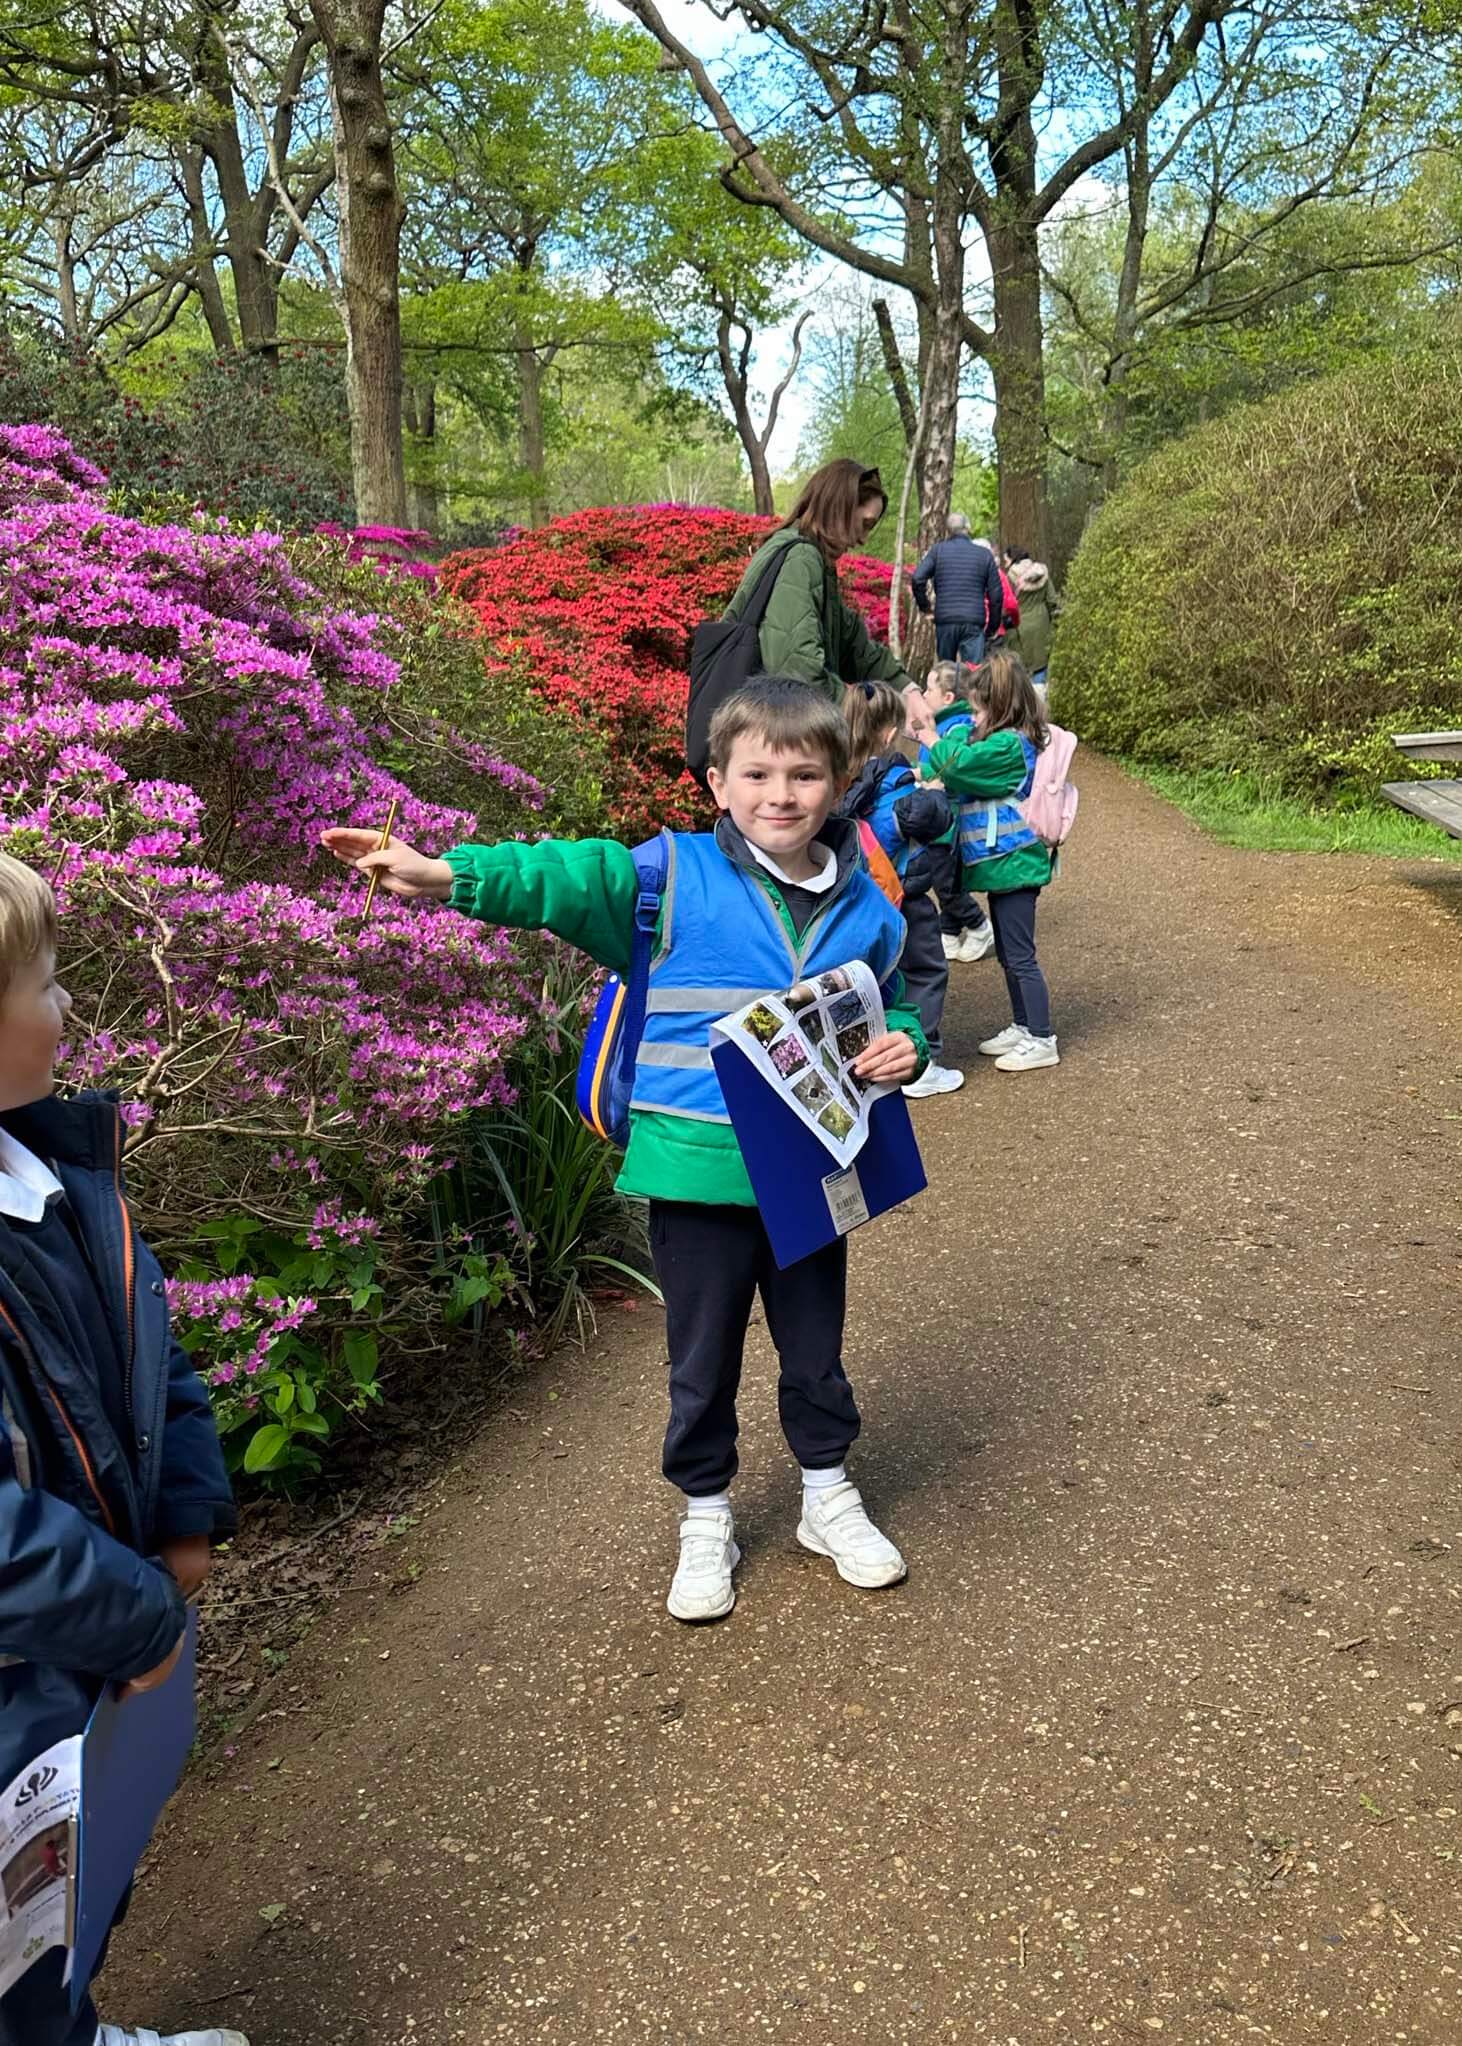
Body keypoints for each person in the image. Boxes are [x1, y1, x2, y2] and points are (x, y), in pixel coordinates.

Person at [322, 679, 924, 1625]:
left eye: (804, 773)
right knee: (701, 1357)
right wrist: (448, 875)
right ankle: (706, 1512)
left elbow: (901, 1000)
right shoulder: (670, 873)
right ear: (717, 783)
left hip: (816, 1171)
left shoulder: (870, 908)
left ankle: (825, 1493)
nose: (781, 793)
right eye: (757, 772)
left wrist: (910, 1046)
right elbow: (568, 874)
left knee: (816, 1350)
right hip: (692, 1172)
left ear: (840, 782)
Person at [0, 855, 244, 2046]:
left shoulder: (48, 1176)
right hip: (30, 1656)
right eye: (45, 983)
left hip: (82, 1650)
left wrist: (186, 1512)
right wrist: (135, 1617)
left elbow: (153, 1353)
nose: (69, 1009)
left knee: (61, 1892)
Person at [911, 652, 1059, 1073]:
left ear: (1000, 706)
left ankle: (1041, 1035)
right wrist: (949, 741)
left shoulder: (1009, 746)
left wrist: (930, 739)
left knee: (1020, 955)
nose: (972, 717)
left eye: (978, 709)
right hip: (1003, 865)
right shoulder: (999, 740)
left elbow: (956, 764)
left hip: (1015, 863)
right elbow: (957, 752)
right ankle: (1024, 1024)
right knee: (1009, 955)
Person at [838, 681, 963, 1099]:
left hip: (857, 898)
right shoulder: (896, 782)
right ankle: (920, 1060)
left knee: (873, 976)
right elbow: (932, 817)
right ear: (890, 733)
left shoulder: (842, 779)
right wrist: (932, 791)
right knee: (925, 969)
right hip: (904, 898)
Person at [720, 459, 913, 701]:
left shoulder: (815, 560)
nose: (864, 539)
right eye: (865, 524)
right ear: (839, 507)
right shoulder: (801, 559)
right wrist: (864, 712)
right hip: (769, 726)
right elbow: (799, 670)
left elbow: (853, 644)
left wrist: (907, 688)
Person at [918, 662, 995, 964]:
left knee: (945, 882)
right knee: (945, 878)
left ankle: (978, 924)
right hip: (938, 817)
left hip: (948, 819)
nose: (924, 694)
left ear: (948, 697)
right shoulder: (942, 725)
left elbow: (947, 767)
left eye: (929, 688)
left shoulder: (959, 727)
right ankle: (948, 932)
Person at [910, 512, 1005, 665]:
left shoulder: (937, 551)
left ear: (948, 531)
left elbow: (917, 578)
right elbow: (997, 595)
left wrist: (926, 608)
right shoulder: (984, 555)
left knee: (946, 672)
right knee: (973, 675)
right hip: (973, 621)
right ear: (968, 528)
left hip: (945, 620)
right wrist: (992, 627)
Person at [1007, 556, 1058, 694]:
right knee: (1040, 664)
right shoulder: (1043, 574)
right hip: (1042, 624)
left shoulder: (1010, 578)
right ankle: (1040, 697)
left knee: (1021, 668)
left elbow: (1007, 603)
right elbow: (1053, 601)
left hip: (1018, 626)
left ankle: (1024, 701)